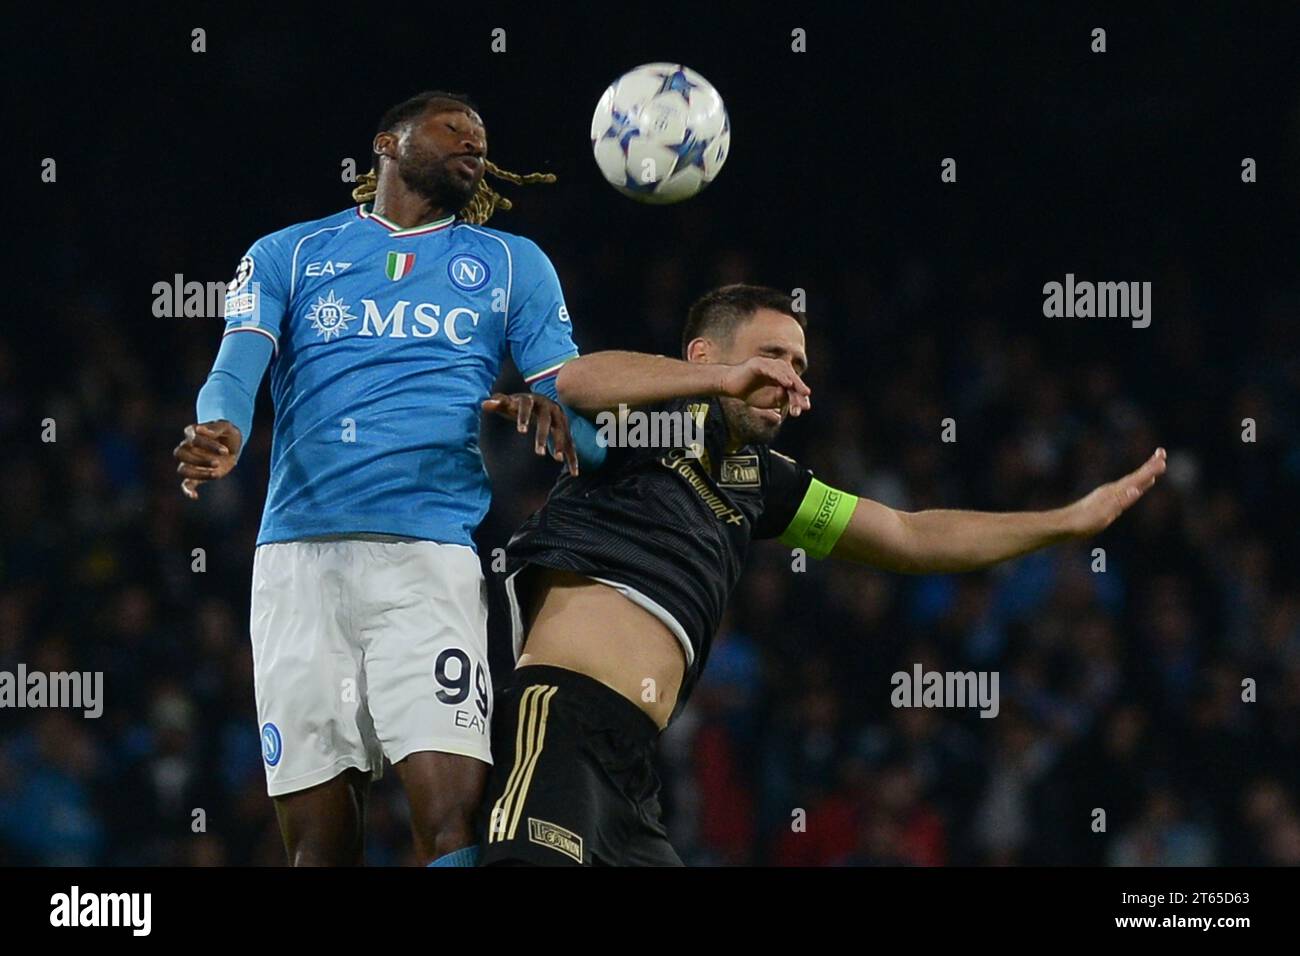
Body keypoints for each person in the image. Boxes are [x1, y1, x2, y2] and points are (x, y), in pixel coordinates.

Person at [481, 283, 1166, 865]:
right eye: (772, 354)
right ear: (704, 356)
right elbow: (574, 381)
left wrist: (1064, 523)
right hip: (561, 715)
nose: (789, 376)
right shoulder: (647, 417)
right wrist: (718, 383)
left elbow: (908, 534)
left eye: (800, 363)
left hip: (634, 773)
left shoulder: (761, 482)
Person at [173, 90, 600, 866]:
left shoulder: (512, 263)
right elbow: (236, 366)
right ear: (387, 143)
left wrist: (569, 426)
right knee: (321, 843)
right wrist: (224, 427)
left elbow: (581, 409)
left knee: (451, 817)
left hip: (427, 566)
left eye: (482, 135)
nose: (475, 141)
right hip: (299, 569)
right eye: (454, 129)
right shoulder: (289, 253)